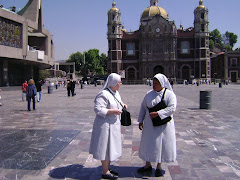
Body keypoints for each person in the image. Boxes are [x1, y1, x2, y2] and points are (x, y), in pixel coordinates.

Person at [137, 73, 177, 177]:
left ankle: (159, 166)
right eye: (153, 83)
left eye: (156, 83)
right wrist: (140, 120)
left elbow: (172, 108)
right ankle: (147, 164)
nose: (153, 85)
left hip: (163, 126)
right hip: (150, 125)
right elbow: (143, 107)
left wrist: (158, 113)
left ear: (162, 84)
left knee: (161, 145)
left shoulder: (169, 94)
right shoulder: (149, 94)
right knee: (148, 143)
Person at [89, 73, 127, 180]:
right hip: (105, 126)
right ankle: (105, 172)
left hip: (114, 124)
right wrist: (111, 111)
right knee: (105, 148)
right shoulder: (103, 94)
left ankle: (108, 168)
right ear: (113, 83)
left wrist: (122, 105)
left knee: (111, 147)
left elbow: (117, 102)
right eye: (119, 82)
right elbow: (97, 109)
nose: (121, 84)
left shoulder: (116, 93)